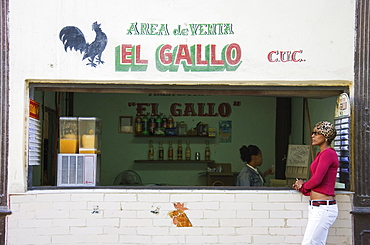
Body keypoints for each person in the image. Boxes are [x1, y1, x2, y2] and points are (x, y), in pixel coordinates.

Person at [293, 121, 339, 245]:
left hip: (323, 208)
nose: (312, 136)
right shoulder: (321, 154)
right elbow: (316, 180)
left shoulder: (328, 153)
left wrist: (303, 186)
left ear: (325, 136)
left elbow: (317, 179)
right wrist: (303, 186)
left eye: (316, 133)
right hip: (318, 207)